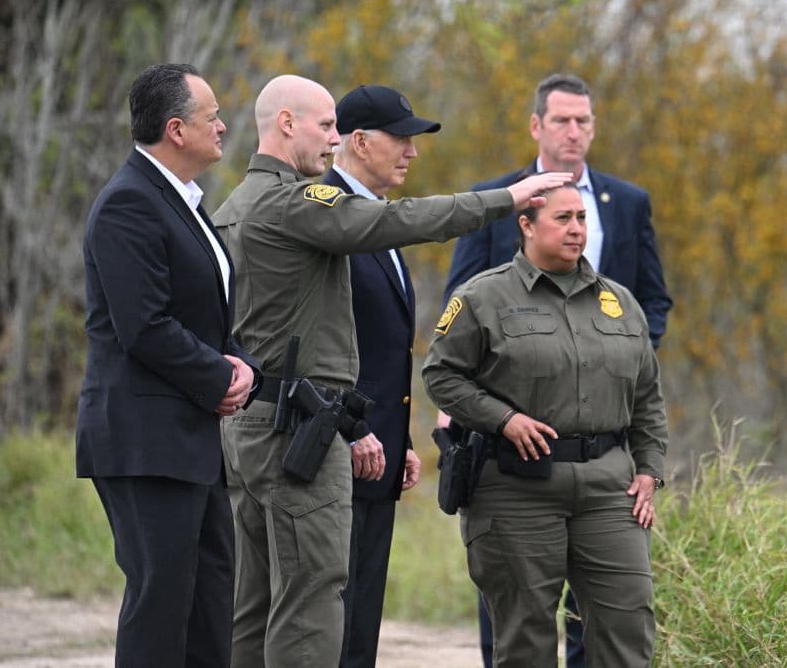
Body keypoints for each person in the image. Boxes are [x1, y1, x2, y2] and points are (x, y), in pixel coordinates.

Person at [211, 74, 573, 667]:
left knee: (254, 604)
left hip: (255, 425)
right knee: (311, 599)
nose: (334, 139)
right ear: (286, 124)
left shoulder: (233, 207)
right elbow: (395, 221)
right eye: (326, 126)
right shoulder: (292, 202)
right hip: (297, 429)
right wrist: (506, 199)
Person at [442, 72, 672, 667]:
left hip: (606, 477)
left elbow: (648, 388)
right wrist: (496, 418)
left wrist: (650, 467)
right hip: (518, 477)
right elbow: (446, 365)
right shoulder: (489, 264)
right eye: (563, 219)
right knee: (523, 636)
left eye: (581, 221)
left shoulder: (620, 290)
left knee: (626, 630)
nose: (576, 230)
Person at [76, 63, 261, 668]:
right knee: (162, 602)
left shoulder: (183, 202)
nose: (223, 126)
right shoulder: (129, 202)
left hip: (189, 439)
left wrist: (243, 366)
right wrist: (219, 377)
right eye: (213, 117)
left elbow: (203, 316)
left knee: (209, 599)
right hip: (145, 440)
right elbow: (144, 326)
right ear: (176, 130)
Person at [320, 84, 437, 667]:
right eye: (401, 139)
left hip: (378, 454)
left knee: (362, 622)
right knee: (329, 624)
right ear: (360, 142)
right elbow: (315, 340)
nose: (411, 152)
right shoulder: (326, 214)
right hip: (334, 452)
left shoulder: (377, 218)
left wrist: (399, 436)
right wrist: (348, 429)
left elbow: (382, 347)